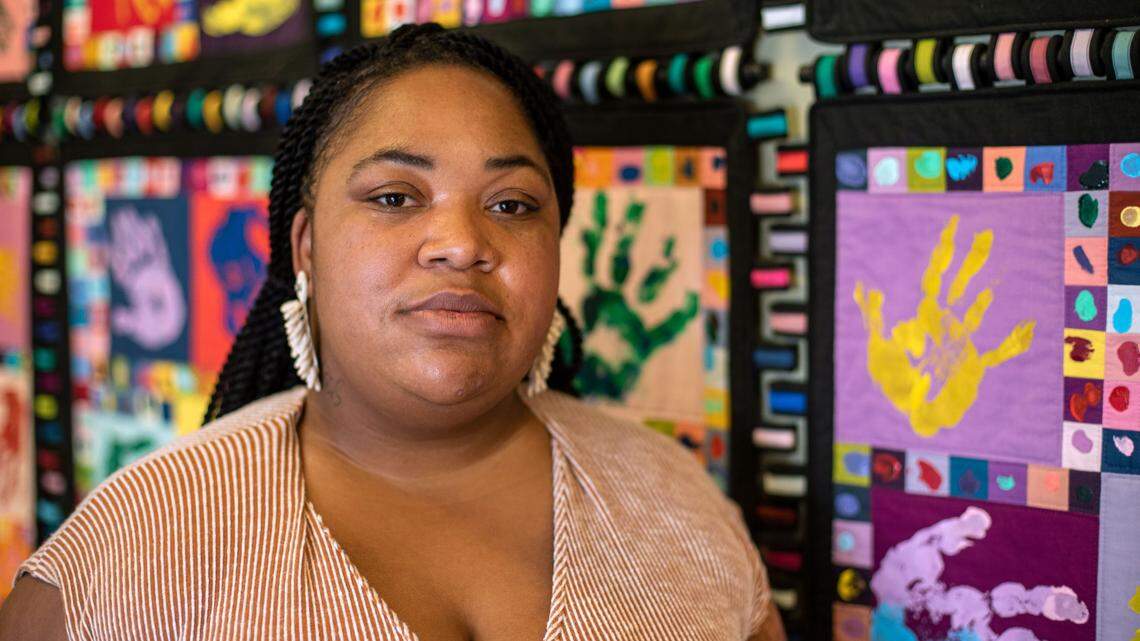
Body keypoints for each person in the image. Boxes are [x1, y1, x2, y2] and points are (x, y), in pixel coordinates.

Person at [0, 23, 784, 641]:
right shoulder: (135, 545)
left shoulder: (676, 500)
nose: (462, 243)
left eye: (512, 204)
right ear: (305, 247)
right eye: (395, 197)